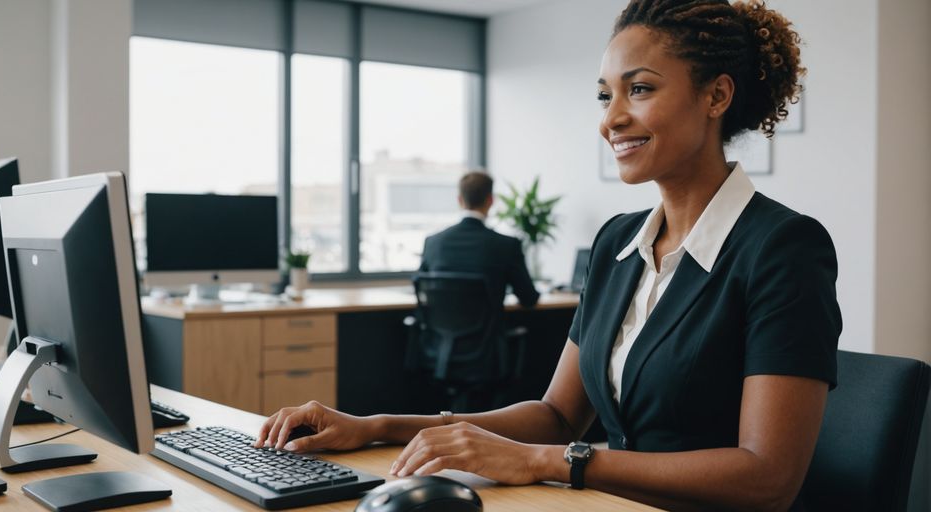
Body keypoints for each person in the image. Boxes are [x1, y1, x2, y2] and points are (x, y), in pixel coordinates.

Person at [255, 1, 841, 510]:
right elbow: (557, 415)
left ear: (716, 95)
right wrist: (376, 426)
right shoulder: (617, 243)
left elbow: (768, 479)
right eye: (605, 95)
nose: (610, 119)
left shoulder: (782, 247)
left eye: (639, 89)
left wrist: (548, 461)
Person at [418, 170, 540, 308]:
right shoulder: (507, 245)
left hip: (440, 322)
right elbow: (529, 299)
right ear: (491, 200)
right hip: (489, 322)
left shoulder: (433, 243)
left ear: (459, 200)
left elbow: (422, 289)